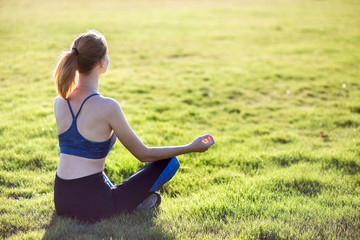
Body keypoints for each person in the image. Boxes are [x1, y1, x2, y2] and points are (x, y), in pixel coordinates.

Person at [53, 30, 215, 222]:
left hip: (61, 199)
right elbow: (143, 154)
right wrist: (190, 147)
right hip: (93, 206)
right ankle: (132, 203)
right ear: (100, 63)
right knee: (170, 162)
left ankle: (133, 200)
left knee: (99, 177)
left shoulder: (60, 101)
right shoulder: (108, 107)